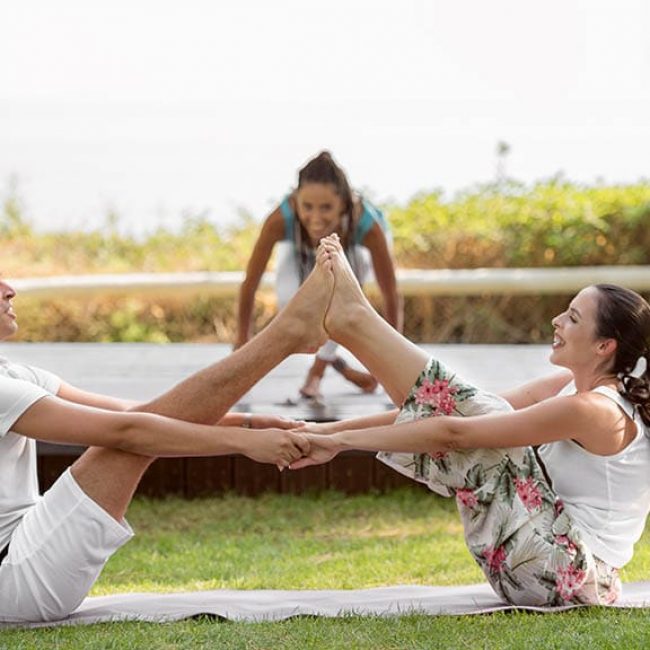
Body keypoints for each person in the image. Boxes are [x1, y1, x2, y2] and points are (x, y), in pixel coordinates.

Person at [291, 234, 650, 607]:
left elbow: (456, 431)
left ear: (604, 346)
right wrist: (325, 430)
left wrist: (338, 444)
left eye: (573, 318)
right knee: (485, 408)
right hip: (542, 563)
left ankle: (358, 320)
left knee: (489, 424)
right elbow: (459, 408)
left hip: (562, 571)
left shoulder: (594, 410)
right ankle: (356, 320)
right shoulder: (570, 389)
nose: (557, 320)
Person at [0, 264, 337, 622]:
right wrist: (243, 441)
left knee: (134, 430)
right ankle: (284, 336)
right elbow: (127, 431)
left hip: (27, 543)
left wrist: (248, 422)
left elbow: (135, 412)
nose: (10, 290)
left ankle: (288, 334)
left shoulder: (14, 374)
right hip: (14, 578)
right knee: (125, 442)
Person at [236, 150, 402, 398]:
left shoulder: (368, 227)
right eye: (307, 207)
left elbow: (391, 293)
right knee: (289, 305)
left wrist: (393, 360)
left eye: (326, 208)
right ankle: (341, 368)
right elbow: (250, 284)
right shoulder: (280, 220)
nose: (315, 218)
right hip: (299, 251)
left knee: (336, 302)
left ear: (343, 205)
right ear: (295, 201)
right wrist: (241, 342)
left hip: (351, 252)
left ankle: (316, 374)